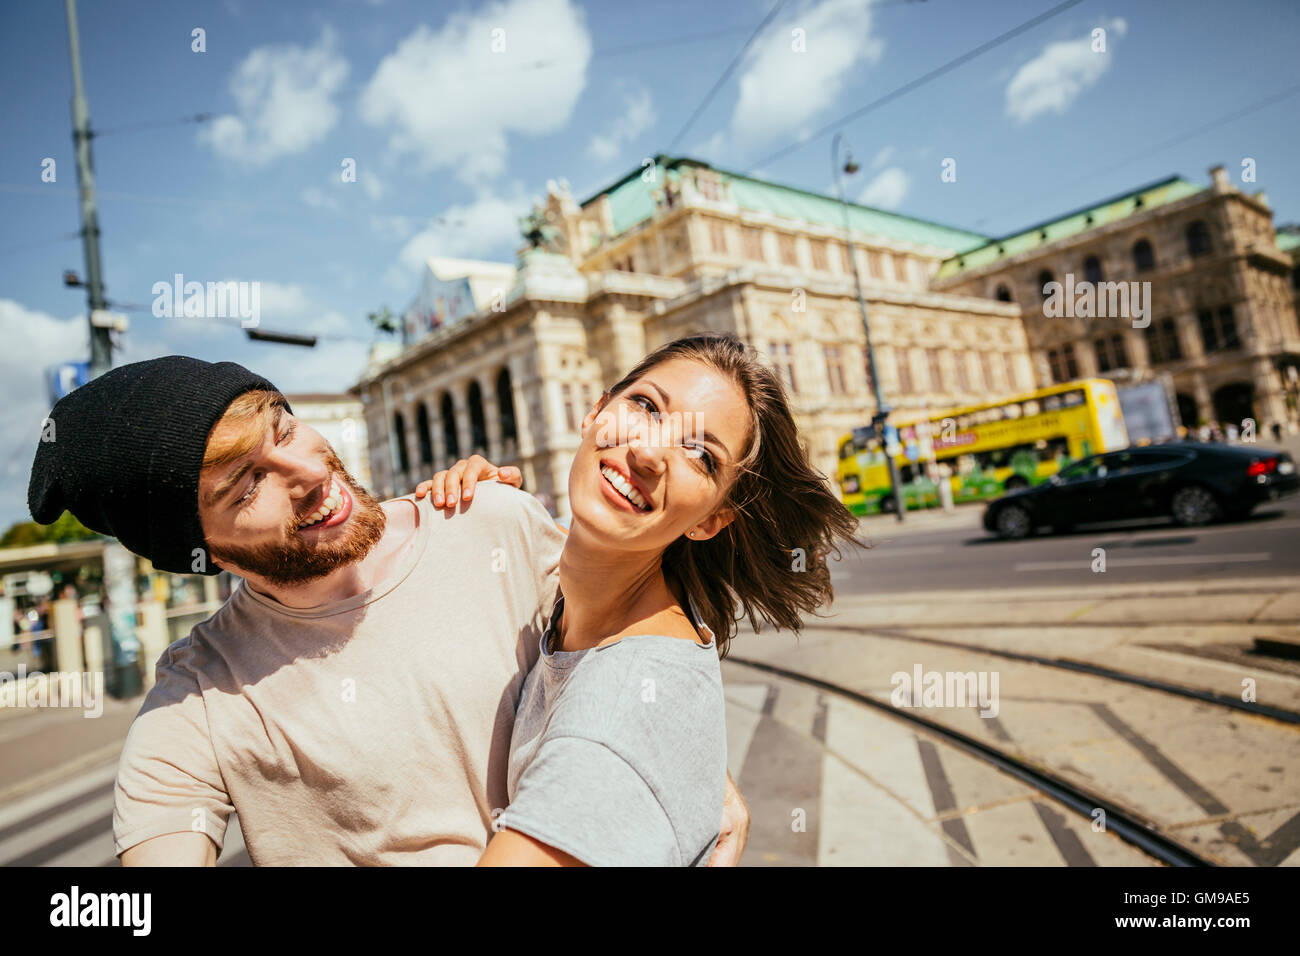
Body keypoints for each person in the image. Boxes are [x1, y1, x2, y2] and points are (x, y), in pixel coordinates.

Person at [26, 355, 751, 865]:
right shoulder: (199, 701)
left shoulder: (488, 519)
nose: (310, 472)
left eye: (284, 428)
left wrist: (687, 772)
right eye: (247, 487)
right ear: (200, 551)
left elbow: (626, 657)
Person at [417, 333, 861, 865]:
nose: (648, 452)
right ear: (595, 412)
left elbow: (624, 730)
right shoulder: (581, 602)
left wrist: (645, 752)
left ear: (710, 521)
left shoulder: (615, 724)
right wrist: (476, 515)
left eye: (699, 453)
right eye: (646, 406)